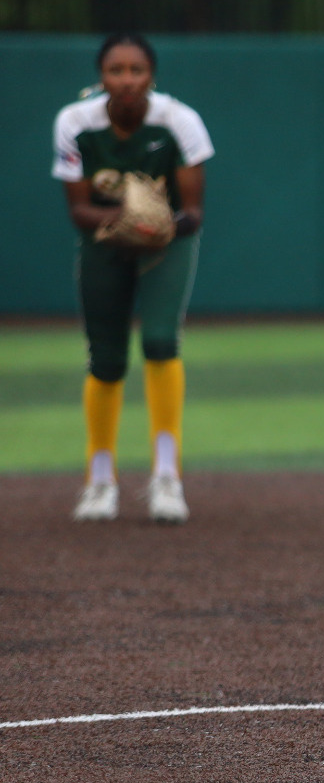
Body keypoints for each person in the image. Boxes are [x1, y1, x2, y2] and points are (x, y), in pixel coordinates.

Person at [53, 33, 213, 524]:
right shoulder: (76, 122)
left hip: (167, 244)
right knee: (105, 358)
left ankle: (167, 476)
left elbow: (193, 212)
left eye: (136, 70)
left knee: (161, 341)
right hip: (105, 242)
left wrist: (159, 226)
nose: (126, 79)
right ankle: (99, 479)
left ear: (152, 76)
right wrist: (121, 221)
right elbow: (79, 207)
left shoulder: (178, 121)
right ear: (101, 77)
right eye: (116, 70)